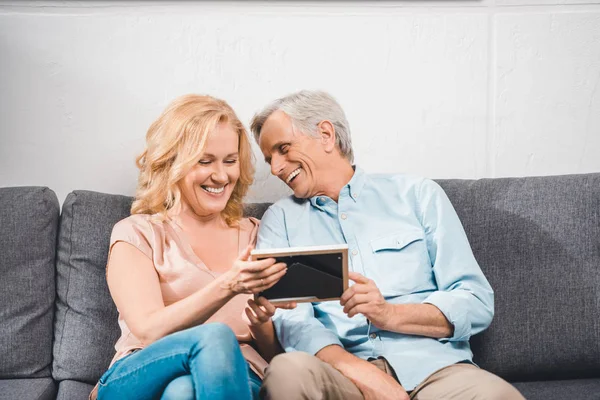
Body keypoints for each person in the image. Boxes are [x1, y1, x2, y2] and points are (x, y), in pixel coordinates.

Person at [250, 90, 525, 400]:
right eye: (270, 158)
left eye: (283, 149)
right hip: (341, 376)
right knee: (288, 372)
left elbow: (476, 301)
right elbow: (291, 320)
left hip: (436, 371)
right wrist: (362, 374)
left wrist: (390, 314)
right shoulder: (280, 220)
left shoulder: (417, 195)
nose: (275, 168)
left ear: (326, 135)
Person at [92, 94, 294, 400]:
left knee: (183, 392)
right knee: (214, 337)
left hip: (235, 377)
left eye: (230, 161)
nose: (221, 175)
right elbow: (148, 331)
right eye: (205, 161)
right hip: (140, 375)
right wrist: (229, 285)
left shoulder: (258, 236)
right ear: (172, 162)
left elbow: (275, 353)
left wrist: (262, 323)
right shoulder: (137, 233)